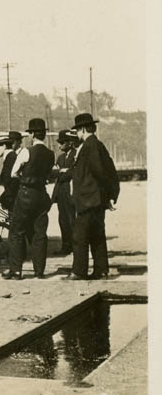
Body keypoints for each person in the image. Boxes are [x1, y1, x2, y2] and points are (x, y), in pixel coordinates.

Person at [68, 113, 120, 280]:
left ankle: (79, 271)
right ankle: (101, 269)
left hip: (88, 199)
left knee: (80, 236)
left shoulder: (89, 146)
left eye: (77, 130)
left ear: (83, 129)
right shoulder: (98, 145)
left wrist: (103, 194)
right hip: (96, 199)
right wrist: (110, 195)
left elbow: (99, 171)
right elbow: (110, 169)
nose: (76, 134)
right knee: (97, 236)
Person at [3, 118, 55, 280]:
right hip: (42, 194)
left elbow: (14, 173)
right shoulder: (51, 154)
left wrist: (24, 177)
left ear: (32, 134)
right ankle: (39, 271)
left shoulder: (27, 151)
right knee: (40, 233)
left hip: (26, 194)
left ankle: (16, 270)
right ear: (45, 134)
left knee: (17, 232)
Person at [50, 130, 78, 254]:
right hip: (61, 192)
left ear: (70, 143)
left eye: (62, 142)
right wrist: (63, 172)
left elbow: (73, 173)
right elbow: (53, 173)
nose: (59, 145)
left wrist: (63, 172)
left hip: (70, 191)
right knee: (62, 220)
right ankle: (66, 246)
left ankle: (76, 246)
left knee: (72, 219)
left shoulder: (76, 155)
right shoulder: (60, 158)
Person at [0, 131, 23, 212]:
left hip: (14, 201)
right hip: (14, 200)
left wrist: (5, 198)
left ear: (4, 146)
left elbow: (14, 182)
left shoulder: (11, 158)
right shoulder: (10, 157)